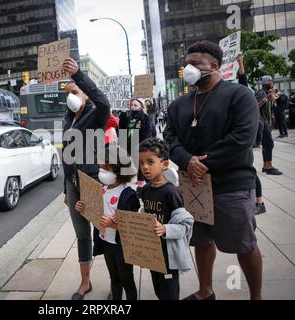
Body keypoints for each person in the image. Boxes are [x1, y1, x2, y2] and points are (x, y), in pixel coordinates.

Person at [164, 41, 263, 300]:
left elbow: (243, 136)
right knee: (201, 240)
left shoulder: (239, 95)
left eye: (195, 64)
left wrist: (202, 163)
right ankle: (205, 290)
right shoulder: (178, 105)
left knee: (244, 243)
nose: (188, 68)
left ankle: (256, 296)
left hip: (231, 184)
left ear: (214, 66)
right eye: (186, 64)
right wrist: (186, 161)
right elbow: (170, 138)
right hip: (193, 185)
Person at [61, 57, 111, 300]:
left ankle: (118, 282)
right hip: (73, 185)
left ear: (86, 94)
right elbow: (66, 156)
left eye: (75, 92)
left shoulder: (96, 114)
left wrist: (79, 75)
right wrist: (64, 189)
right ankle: (85, 283)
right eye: (68, 93)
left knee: (105, 231)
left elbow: (104, 102)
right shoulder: (67, 120)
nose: (71, 96)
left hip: (93, 182)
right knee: (82, 235)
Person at [75, 146, 140, 300]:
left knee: (127, 279)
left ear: (118, 170)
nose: (101, 172)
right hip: (106, 242)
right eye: (100, 168)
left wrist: (113, 224)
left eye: (106, 168)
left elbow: (133, 225)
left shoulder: (128, 195)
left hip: (122, 246)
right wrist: (82, 207)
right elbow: (93, 209)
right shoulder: (100, 189)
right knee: (114, 278)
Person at [139, 137, 194, 300]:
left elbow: (185, 225)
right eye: (141, 163)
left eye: (150, 161)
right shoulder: (146, 189)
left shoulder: (171, 192)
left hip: (168, 254)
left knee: (169, 292)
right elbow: (147, 212)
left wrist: (165, 229)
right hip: (153, 250)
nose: (145, 167)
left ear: (164, 164)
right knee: (158, 289)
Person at [236, 53, 266, 215]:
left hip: (246, 138)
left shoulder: (243, 94)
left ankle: (259, 202)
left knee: (249, 170)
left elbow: (242, 80)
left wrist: (240, 63)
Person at [119, 98, 151, 187]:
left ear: (141, 107)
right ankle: (124, 179)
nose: (132, 107)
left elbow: (147, 131)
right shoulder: (129, 115)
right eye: (132, 105)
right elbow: (122, 128)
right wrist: (123, 114)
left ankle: (141, 180)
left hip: (139, 143)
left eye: (135, 105)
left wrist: (142, 145)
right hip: (129, 143)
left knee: (140, 162)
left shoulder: (144, 116)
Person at [255, 76, 283, 175]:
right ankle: (268, 167)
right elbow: (255, 106)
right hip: (262, 121)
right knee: (268, 143)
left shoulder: (267, 93)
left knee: (267, 143)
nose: (272, 82)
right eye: (270, 81)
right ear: (266, 82)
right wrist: (267, 99)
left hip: (266, 121)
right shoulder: (261, 93)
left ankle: (265, 165)